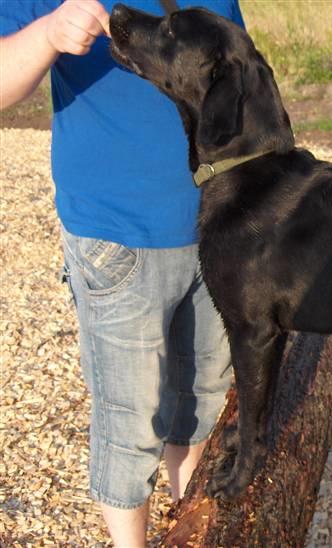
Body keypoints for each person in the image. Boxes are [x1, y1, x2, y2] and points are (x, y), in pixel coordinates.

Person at [0, 1, 244, 545]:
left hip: (218, 231)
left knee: (201, 402)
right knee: (129, 425)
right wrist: (47, 33)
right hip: (117, 239)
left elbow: (236, 76)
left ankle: (186, 528)